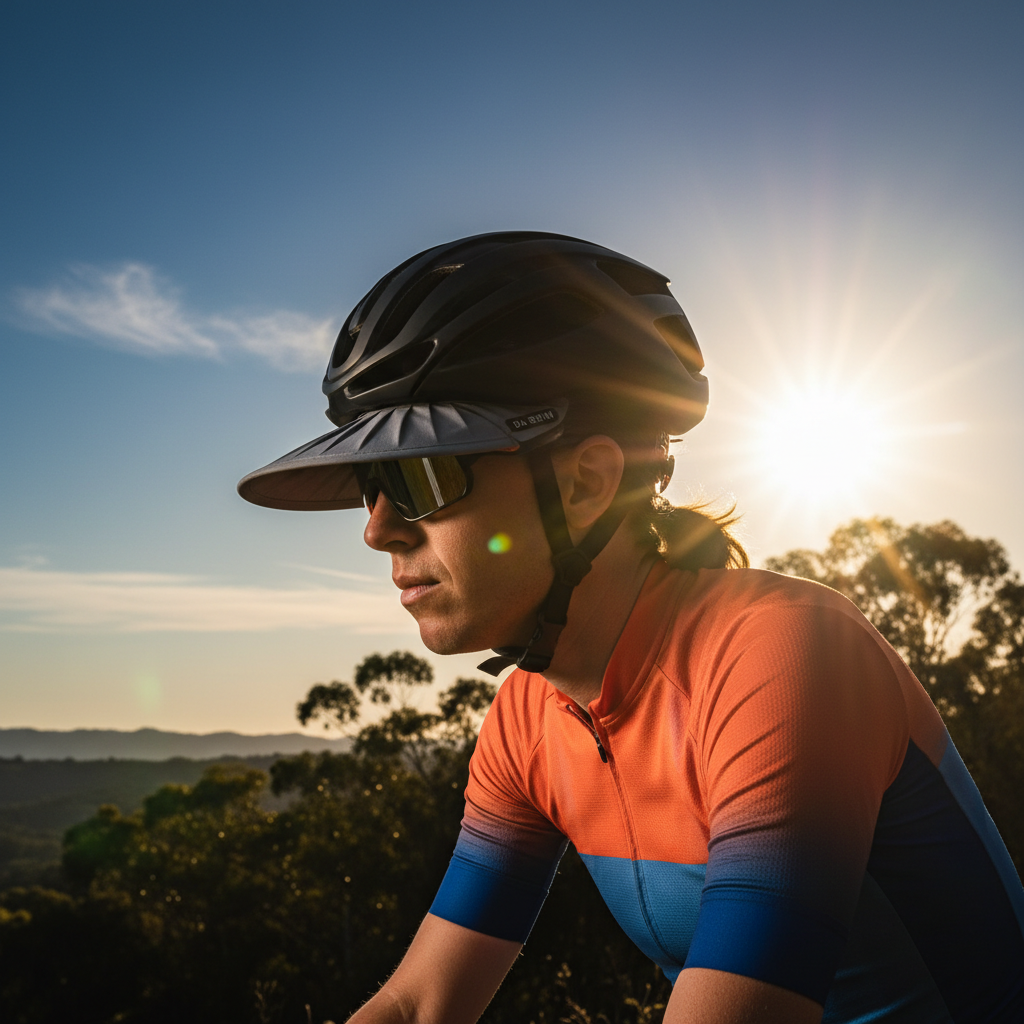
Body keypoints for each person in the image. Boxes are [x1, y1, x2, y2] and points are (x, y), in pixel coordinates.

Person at [238, 232, 1024, 1024]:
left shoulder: (782, 655)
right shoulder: (527, 718)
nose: (377, 531)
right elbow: (419, 1005)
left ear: (585, 483)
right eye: (372, 483)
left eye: (418, 477)